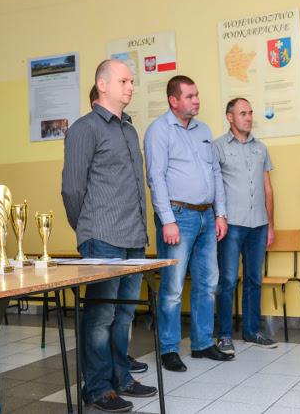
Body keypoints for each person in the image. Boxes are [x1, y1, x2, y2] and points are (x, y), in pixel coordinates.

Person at [62, 59, 156, 413]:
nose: (131, 86)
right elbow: (72, 189)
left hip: (133, 237)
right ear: (102, 85)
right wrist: (87, 228)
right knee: (101, 316)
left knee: (124, 314)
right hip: (102, 237)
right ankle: (98, 387)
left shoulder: (129, 130)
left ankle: (121, 377)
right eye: (124, 81)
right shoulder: (84, 129)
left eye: (131, 81)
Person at [144, 75, 232, 373]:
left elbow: (215, 173)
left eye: (197, 95)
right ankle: (168, 348)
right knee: (172, 288)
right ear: (173, 100)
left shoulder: (203, 130)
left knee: (208, 283)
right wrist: (167, 220)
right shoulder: (159, 130)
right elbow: (156, 178)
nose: (197, 101)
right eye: (190, 96)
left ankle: (202, 343)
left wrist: (221, 213)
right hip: (178, 217)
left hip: (207, 216)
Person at [214, 98, 278, 355]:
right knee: (228, 280)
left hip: (258, 224)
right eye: (243, 113)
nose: (249, 117)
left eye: (250, 113)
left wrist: (271, 225)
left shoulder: (261, 148)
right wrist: (219, 217)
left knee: (254, 279)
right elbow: (214, 187)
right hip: (231, 224)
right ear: (230, 117)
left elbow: (268, 189)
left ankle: (252, 331)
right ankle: (224, 335)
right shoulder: (218, 147)